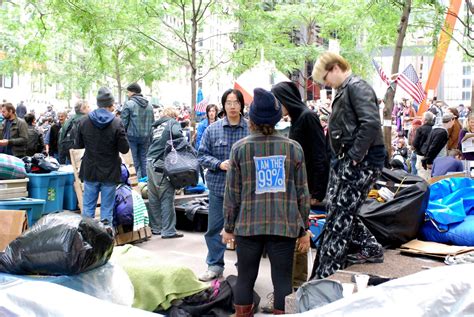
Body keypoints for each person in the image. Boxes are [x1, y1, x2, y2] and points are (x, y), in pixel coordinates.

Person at [222, 88, 310, 316]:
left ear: (251, 119)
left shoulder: (239, 149)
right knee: (282, 280)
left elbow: (232, 193)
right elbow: (302, 193)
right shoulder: (293, 148)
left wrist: (228, 227)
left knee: (245, 278)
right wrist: (305, 228)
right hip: (284, 225)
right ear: (277, 118)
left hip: (248, 226)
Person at [310, 52, 386, 279]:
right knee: (338, 212)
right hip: (355, 160)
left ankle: (327, 274)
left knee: (340, 217)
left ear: (334, 68)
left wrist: (354, 156)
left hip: (360, 161)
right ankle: (367, 249)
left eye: (325, 78)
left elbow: (370, 123)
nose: (325, 84)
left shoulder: (356, 87)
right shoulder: (350, 88)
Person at [270, 80, 329, 309]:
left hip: (306, 189)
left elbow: (319, 155)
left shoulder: (307, 117)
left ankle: (296, 290)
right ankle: (294, 290)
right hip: (298, 188)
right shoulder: (298, 118)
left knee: (300, 238)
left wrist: (316, 191)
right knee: (296, 238)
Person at [197, 88, 249, 282]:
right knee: (214, 228)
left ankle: (244, 267)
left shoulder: (250, 128)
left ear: (241, 105)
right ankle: (215, 265)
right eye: (228, 102)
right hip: (219, 188)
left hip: (245, 191)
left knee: (245, 231)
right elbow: (201, 155)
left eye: (236, 102)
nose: (232, 106)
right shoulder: (213, 129)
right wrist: (218, 164)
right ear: (223, 105)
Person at [75, 87, 129, 224]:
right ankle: (106, 242)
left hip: (90, 169)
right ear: (111, 105)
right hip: (110, 171)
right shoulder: (117, 122)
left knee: (87, 210)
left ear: (98, 104)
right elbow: (124, 149)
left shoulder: (84, 121)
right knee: (107, 211)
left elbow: (79, 145)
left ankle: (87, 241)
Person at [146, 107, 184, 239]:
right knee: (166, 195)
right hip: (161, 162)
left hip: (150, 162)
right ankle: (168, 230)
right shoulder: (172, 123)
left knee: (154, 197)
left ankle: (156, 228)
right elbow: (178, 135)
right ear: (174, 116)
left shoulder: (156, 126)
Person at [121, 83, 154, 179]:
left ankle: (135, 184)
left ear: (132, 92)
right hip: (146, 137)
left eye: (128, 92)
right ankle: (146, 184)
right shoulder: (149, 105)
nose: (127, 94)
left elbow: (123, 123)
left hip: (132, 137)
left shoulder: (129, 104)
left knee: (133, 161)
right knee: (144, 160)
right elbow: (153, 123)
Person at [58, 100, 90, 164]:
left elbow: (60, 141)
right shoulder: (87, 120)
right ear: (83, 109)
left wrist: (61, 161)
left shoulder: (68, 121)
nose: (90, 109)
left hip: (69, 155)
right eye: (88, 107)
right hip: (83, 157)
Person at [413, 111, 435, 180]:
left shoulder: (420, 129)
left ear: (425, 120)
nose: (421, 119)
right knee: (430, 174)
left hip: (421, 155)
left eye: (422, 118)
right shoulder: (434, 129)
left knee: (422, 174)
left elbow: (415, 143)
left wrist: (417, 150)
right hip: (432, 155)